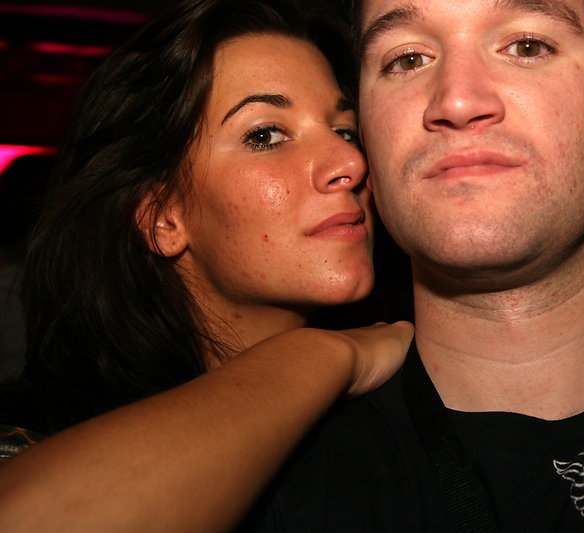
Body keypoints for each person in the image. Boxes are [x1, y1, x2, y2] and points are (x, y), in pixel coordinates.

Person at [253, 0, 584, 531]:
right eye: (408, 59)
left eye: (527, 46)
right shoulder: (260, 478)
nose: (457, 101)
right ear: (367, 142)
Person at [0, 0, 412, 532]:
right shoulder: (38, 435)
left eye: (346, 130)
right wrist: (323, 355)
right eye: (265, 135)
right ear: (162, 218)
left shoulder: (394, 427)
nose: (350, 163)